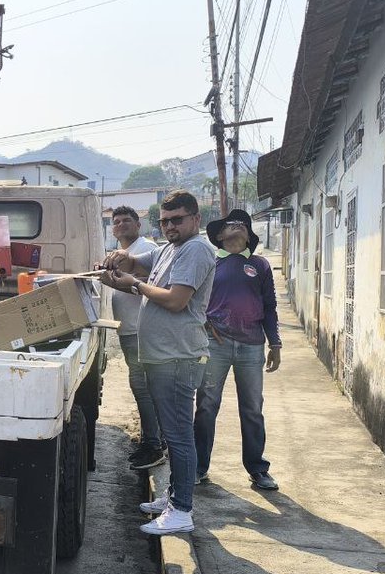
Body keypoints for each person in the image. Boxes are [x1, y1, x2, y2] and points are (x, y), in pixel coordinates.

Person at [99, 190, 215, 535]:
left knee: (178, 437)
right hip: (163, 355)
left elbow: (177, 300)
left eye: (177, 220)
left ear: (195, 219)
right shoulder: (168, 249)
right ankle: (174, 496)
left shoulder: (196, 248)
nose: (170, 226)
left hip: (177, 356)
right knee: (173, 432)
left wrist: (134, 285)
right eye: (164, 221)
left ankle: (182, 511)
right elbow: (136, 263)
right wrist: (119, 260)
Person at [193, 209, 282, 491]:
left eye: (243, 224)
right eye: (230, 224)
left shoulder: (260, 265)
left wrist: (275, 343)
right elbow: (191, 297)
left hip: (252, 346)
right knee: (206, 406)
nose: (238, 226)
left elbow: (270, 307)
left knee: (253, 408)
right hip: (214, 346)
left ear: (249, 235)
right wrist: (205, 323)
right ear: (219, 236)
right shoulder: (208, 262)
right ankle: (198, 467)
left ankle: (257, 469)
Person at [108, 206, 165, 470]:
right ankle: (151, 439)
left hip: (142, 329)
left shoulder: (146, 249)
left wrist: (113, 281)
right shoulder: (116, 253)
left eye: (126, 221)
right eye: (116, 222)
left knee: (144, 388)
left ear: (138, 224)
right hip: (127, 329)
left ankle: (154, 445)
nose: (121, 225)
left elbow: (149, 287)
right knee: (141, 387)